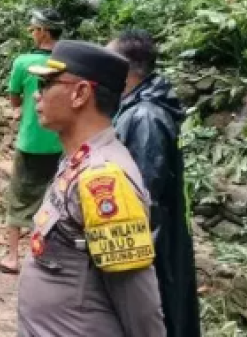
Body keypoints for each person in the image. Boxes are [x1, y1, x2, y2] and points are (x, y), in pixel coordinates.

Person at [19, 40, 164, 337]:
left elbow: (140, 304)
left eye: (46, 83)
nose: (37, 93)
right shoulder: (79, 159)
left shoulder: (105, 180)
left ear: (80, 93)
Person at [109, 30, 200, 337]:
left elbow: (144, 196)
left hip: (151, 248)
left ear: (124, 68)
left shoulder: (145, 117)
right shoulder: (133, 107)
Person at [0, 9, 64, 274]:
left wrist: (18, 110)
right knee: (54, 199)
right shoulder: (69, 62)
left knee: (19, 198)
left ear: (44, 32)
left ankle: (12, 256)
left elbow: (15, 98)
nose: (33, 34)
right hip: (61, 143)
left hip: (32, 141)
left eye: (34, 29)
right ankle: (44, 256)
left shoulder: (24, 63)